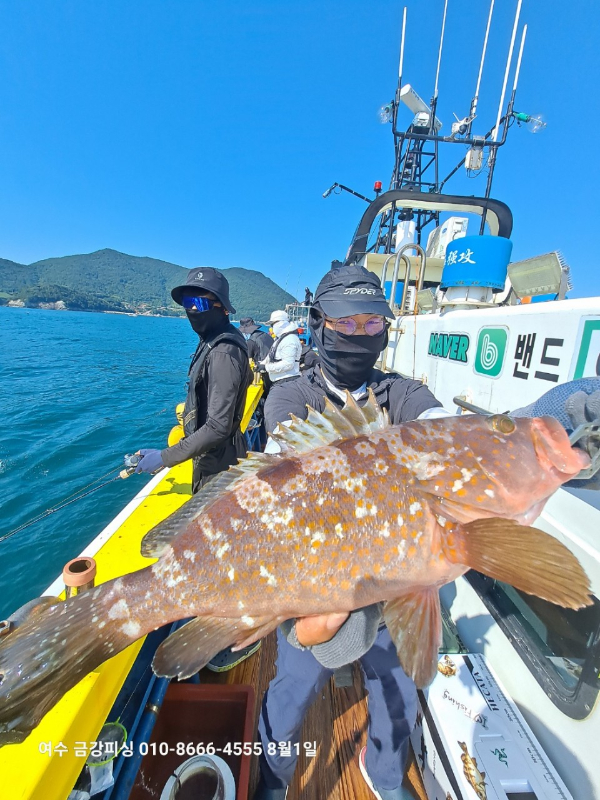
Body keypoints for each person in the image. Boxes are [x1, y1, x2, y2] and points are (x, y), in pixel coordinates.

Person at [257, 264, 447, 800]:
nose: (361, 334)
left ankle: (383, 773)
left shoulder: (403, 393)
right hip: (315, 578)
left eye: (372, 323)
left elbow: (441, 428)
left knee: (399, 683)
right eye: (346, 324)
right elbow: (283, 468)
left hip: (391, 578)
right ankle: (273, 773)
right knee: (295, 685)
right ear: (318, 324)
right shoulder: (291, 398)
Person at [135, 267, 252, 493]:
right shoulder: (214, 339)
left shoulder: (222, 352)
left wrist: (164, 457)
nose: (192, 310)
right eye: (188, 303)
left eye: (201, 304)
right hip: (212, 457)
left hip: (218, 468)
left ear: (222, 308)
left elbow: (218, 427)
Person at [259, 310, 302, 386]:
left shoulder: (290, 340)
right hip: (279, 381)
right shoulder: (281, 339)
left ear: (281, 323)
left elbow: (288, 364)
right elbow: (270, 356)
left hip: (287, 381)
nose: (272, 327)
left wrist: (266, 367)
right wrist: (261, 364)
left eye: (273, 324)